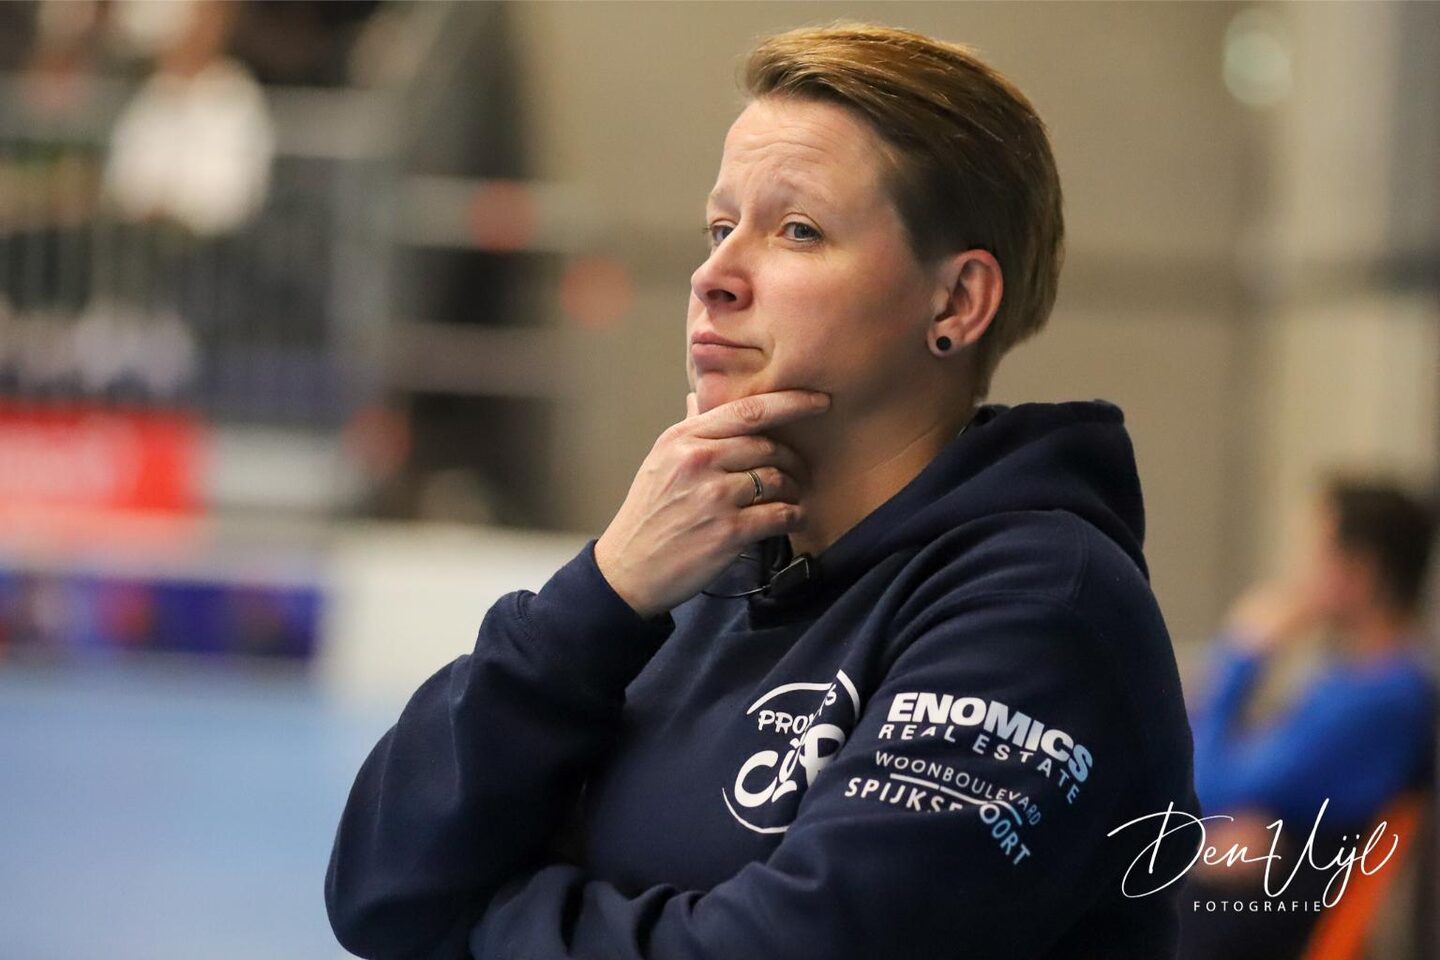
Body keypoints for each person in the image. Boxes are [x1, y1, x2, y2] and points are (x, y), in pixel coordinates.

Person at [325, 20, 1201, 959]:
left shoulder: (1041, 610)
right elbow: (381, 886)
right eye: (718, 228)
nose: (714, 276)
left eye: (797, 231)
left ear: (956, 302)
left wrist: (476, 927)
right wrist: (604, 591)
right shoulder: (696, 572)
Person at [1179, 476, 1438, 960]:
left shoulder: (1380, 699)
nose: (1300, 577)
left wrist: (1243, 651)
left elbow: (1199, 788)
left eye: (1315, 555)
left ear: (1360, 571)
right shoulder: (1355, 681)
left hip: (1260, 926)